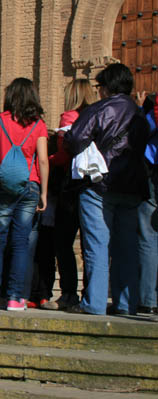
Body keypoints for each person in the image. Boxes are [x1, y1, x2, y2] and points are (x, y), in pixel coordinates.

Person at [64, 63, 150, 315]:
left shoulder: (100, 108)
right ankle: (126, 303)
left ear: (107, 87)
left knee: (97, 244)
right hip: (132, 186)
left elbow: (77, 138)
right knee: (127, 247)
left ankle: (95, 303)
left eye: (99, 86)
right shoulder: (139, 114)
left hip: (100, 185)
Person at [0, 77, 49, 311]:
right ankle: (16, 298)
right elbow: (44, 160)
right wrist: (44, 193)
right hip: (31, 185)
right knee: (20, 243)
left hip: (4, 187)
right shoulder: (39, 125)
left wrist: (4, 157)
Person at [41, 79, 97, 310]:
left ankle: (68, 294)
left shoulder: (69, 117)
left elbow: (64, 155)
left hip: (70, 186)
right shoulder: (98, 115)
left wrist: (44, 161)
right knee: (89, 244)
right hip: (94, 184)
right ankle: (90, 293)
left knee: (63, 242)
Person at [136, 91, 158, 315]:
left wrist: (142, 109)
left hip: (153, 172)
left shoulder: (153, 108)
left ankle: (149, 299)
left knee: (149, 235)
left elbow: (142, 132)